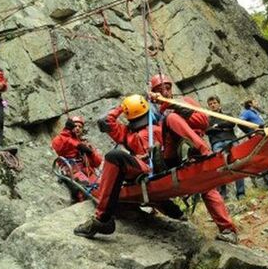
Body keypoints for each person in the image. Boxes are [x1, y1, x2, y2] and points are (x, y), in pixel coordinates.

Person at [74, 94, 185, 238]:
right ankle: (175, 212)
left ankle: (102, 219)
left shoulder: (158, 129)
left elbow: (171, 150)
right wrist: (123, 106)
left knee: (116, 156)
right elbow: (104, 121)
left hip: (158, 169)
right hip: (139, 170)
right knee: (115, 158)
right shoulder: (127, 133)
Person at [149, 74, 238, 244]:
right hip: (173, 156)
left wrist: (182, 108)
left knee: (208, 187)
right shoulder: (156, 112)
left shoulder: (186, 101)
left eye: (167, 88)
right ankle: (204, 151)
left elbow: (203, 122)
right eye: (160, 90)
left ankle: (227, 230)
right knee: (171, 118)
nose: (165, 92)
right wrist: (157, 102)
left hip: (193, 151)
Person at [52, 116, 102, 202]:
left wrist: (91, 153)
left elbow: (97, 162)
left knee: (102, 185)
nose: (77, 128)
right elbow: (56, 145)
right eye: (75, 126)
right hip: (72, 168)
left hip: (87, 170)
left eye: (80, 126)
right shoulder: (64, 139)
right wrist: (66, 131)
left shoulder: (84, 143)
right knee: (84, 187)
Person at [206, 95, 246, 200]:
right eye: (210, 104)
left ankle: (241, 193)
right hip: (217, 143)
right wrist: (223, 127)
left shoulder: (227, 114)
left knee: (238, 164)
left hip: (231, 140)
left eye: (214, 103)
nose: (212, 105)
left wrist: (218, 127)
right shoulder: (208, 119)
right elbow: (207, 130)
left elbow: (231, 123)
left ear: (219, 103)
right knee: (219, 168)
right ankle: (223, 196)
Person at [240, 100, 268, 189]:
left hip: (264, 135)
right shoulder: (247, 112)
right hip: (257, 137)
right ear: (250, 104)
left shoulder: (256, 113)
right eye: (255, 102)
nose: (257, 103)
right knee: (263, 159)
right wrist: (250, 132)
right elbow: (240, 123)